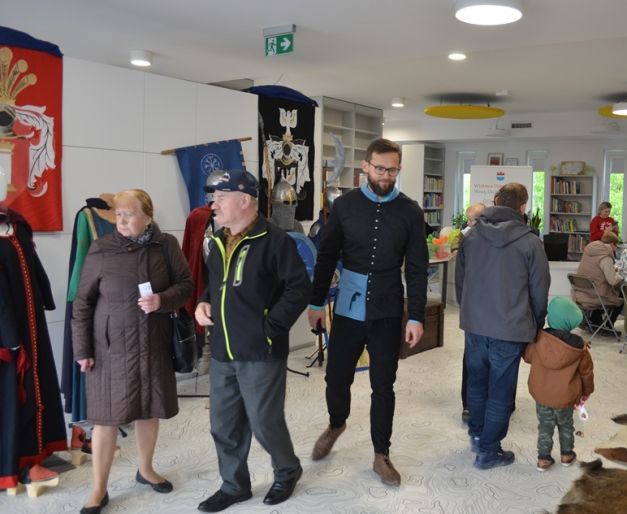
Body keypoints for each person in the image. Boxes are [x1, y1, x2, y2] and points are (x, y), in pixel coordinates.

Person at [306, 138, 428, 487]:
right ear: (365, 166)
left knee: (383, 384)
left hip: (387, 308)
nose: (386, 176)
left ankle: (381, 454)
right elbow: (327, 256)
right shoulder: (344, 206)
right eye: (380, 168)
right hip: (348, 305)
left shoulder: (410, 211)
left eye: (393, 170)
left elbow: (417, 268)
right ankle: (336, 423)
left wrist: (416, 316)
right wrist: (316, 302)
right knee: (336, 377)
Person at [195, 169, 311, 511]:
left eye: (221, 197)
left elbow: (299, 289)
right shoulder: (217, 240)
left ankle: (287, 470)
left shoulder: (275, 241)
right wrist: (204, 301)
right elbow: (216, 285)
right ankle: (234, 486)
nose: (213, 204)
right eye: (213, 198)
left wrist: (269, 328)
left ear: (244, 200)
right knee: (223, 424)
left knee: (264, 422)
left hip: (260, 350)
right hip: (223, 350)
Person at [72, 189, 193, 513]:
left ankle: (146, 470)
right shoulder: (102, 249)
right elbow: (82, 303)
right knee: (105, 419)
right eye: (118, 214)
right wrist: (82, 349)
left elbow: (186, 285)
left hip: (153, 344)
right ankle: (98, 489)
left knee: (149, 410)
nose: (121, 220)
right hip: (110, 350)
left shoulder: (166, 245)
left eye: (129, 214)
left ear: (148, 217)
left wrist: (162, 300)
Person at [456, 182, 550, 470]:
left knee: (477, 382)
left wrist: (468, 312)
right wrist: (536, 322)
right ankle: (489, 450)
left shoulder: (471, 236)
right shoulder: (531, 242)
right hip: (510, 327)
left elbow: (461, 281)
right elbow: (539, 289)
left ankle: (477, 436)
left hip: (475, 323)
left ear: (496, 201)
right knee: (501, 390)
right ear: (522, 207)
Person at [523, 297, 594, 472]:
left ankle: (543, 459)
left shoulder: (538, 339)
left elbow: (527, 357)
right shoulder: (579, 348)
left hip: (542, 395)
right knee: (566, 425)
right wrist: (587, 391)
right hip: (565, 396)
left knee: (545, 427)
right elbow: (586, 373)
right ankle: (567, 455)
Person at [458, 202, 486, 423]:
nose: (468, 224)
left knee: (475, 357)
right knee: (472, 358)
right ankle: (469, 404)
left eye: (471, 220)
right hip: (477, 310)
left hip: (480, 309)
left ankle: (472, 404)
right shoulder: (467, 240)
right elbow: (461, 277)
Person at [572, 230, 623, 334]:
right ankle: (609, 325)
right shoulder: (605, 257)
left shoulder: (589, 250)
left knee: (602, 288)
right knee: (621, 295)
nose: (615, 249)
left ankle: (595, 320)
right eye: (616, 246)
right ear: (612, 244)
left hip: (580, 293)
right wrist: (620, 275)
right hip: (595, 296)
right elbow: (612, 281)